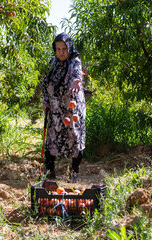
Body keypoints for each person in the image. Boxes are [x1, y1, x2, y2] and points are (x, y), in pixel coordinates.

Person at [42, 32, 86, 183]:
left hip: (72, 108)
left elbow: (76, 75)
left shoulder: (75, 62)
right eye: (58, 49)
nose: (61, 52)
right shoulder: (52, 63)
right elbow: (44, 83)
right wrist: (45, 101)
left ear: (69, 48)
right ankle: (50, 171)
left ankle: (74, 172)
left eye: (64, 49)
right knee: (52, 137)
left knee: (74, 136)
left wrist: (76, 82)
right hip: (55, 108)